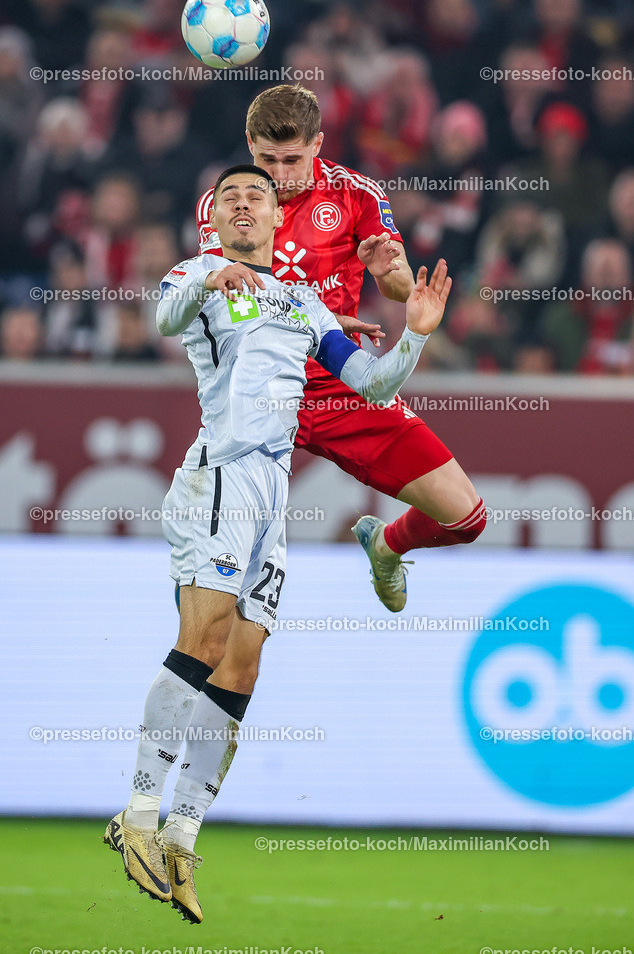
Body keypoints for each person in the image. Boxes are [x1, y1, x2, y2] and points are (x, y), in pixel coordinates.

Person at [103, 164, 452, 924]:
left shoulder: (300, 300)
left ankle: (183, 832)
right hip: (218, 478)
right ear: (216, 219)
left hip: (270, 496)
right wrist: (209, 278)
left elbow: (372, 384)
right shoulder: (198, 271)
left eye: (255, 196)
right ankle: (134, 811)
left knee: (245, 659)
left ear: (274, 220)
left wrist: (415, 335)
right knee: (202, 639)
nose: (242, 204)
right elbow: (164, 319)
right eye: (229, 197)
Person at [195, 85, 486, 614]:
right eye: (267, 159)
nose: (279, 176)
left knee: (466, 518)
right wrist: (312, 318)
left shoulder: (357, 196)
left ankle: (385, 546)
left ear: (319, 145)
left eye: (293, 160)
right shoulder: (226, 200)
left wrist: (390, 273)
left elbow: (398, 284)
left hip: (340, 383)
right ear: (248, 144)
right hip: (257, 394)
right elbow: (235, 304)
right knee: (224, 597)